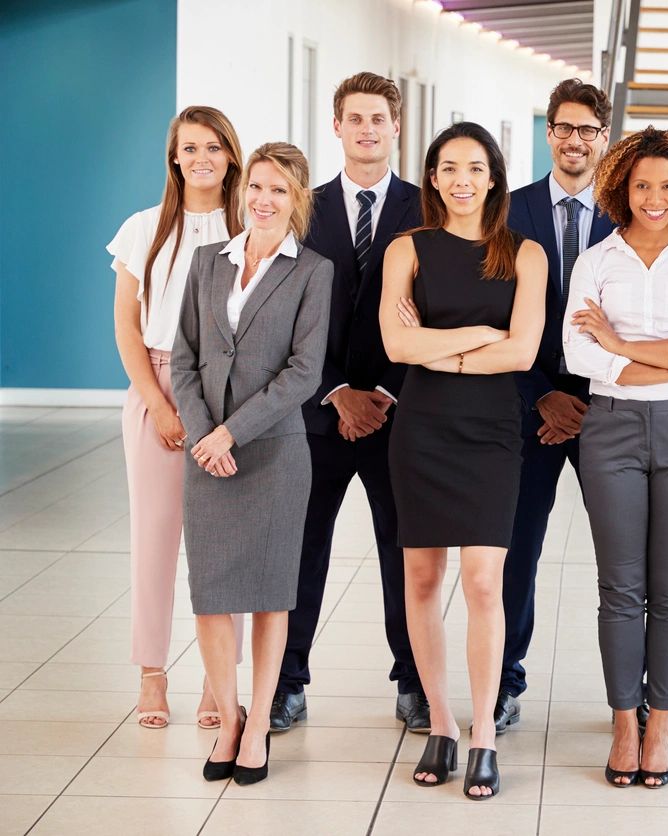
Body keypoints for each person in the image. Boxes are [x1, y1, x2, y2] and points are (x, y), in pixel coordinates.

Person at [380, 122, 546, 800]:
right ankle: (440, 724)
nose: (461, 180)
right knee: (420, 579)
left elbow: (524, 352)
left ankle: (482, 734)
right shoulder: (407, 248)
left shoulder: (525, 254)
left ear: (494, 177)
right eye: (448, 167)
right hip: (421, 428)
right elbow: (394, 344)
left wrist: (438, 346)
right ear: (432, 177)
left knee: (482, 581)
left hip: (490, 433)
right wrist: (477, 337)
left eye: (474, 167)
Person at [563, 127, 668, 788]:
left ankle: (659, 722)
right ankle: (622, 725)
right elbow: (580, 355)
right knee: (619, 586)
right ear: (621, 190)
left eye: (666, 185)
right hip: (609, 429)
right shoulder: (595, 261)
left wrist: (620, 345)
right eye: (642, 186)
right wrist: (665, 354)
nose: (654, 197)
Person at [171, 142, 333, 786]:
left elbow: (303, 374)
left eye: (279, 191)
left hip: (272, 453)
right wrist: (202, 433)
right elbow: (183, 355)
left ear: (297, 202)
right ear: (245, 192)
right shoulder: (209, 262)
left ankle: (260, 721)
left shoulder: (312, 271)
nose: (264, 200)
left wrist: (231, 434)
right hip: (204, 452)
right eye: (257, 187)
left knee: (270, 597)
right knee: (211, 596)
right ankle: (229, 720)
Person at [273, 71, 428, 736]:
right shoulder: (299, 209)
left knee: (406, 551)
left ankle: (416, 682)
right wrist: (337, 390)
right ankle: (285, 682)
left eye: (378, 118)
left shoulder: (428, 211)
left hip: (402, 413)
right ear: (335, 126)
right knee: (301, 549)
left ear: (397, 127)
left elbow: (437, 308)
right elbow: (282, 315)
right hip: (317, 412)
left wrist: (385, 393)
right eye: (354, 118)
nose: (367, 128)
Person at [107, 106, 245, 731]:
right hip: (157, 385)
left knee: (223, 546)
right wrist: (159, 405)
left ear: (231, 156)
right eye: (190, 148)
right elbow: (126, 327)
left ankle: (221, 683)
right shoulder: (143, 228)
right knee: (156, 539)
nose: (202, 159)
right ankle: (152, 674)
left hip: (227, 391)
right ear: (175, 158)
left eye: (214, 147)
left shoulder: (250, 225)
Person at [497, 78, 615, 733]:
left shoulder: (631, 215)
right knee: (516, 549)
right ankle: (505, 681)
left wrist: (592, 401)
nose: (574, 141)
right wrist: (539, 393)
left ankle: (631, 691)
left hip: (608, 412)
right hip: (526, 409)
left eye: (587, 130)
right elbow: (491, 316)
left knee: (625, 554)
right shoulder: (508, 214)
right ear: (549, 133)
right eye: (563, 129)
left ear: (604, 137)